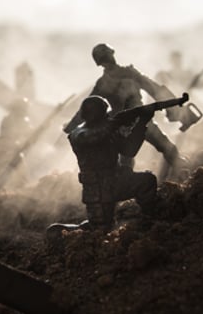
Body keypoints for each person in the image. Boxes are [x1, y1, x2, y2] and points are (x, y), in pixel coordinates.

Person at [67, 44, 187, 177]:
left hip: (135, 122)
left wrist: (174, 108)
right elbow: (88, 108)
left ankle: (181, 177)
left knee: (165, 148)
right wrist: (72, 126)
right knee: (129, 160)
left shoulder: (122, 76)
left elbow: (154, 89)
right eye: (106, 57)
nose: (109, 59)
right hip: (126, 125)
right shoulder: (106, 82)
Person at [63, 95, 159, 232]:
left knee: (147, 181)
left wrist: (142, 122)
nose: (108, 117)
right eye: (104, 115)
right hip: (97, 189)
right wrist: (117, 122)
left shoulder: (107, 130)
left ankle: (150, 223)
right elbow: (92, 137)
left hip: (116, 181)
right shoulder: (79, 133)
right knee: (100, 231)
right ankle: (63, 233)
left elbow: (129, 150)